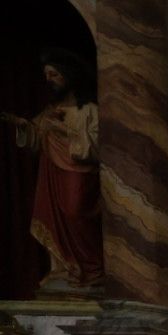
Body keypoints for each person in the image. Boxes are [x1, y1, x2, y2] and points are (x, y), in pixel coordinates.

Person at [2, 48, 102, 291]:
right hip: (51, 176)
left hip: (78, 175)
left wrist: (61, 129)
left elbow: (94, 148)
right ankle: (65, 269)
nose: (49, 80)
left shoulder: (88, 110)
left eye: (54, 74)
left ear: (69, 76)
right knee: (52, 217)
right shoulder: (49, 111)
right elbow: (35, 138)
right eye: (46, 75)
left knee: (75, 211)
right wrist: (23, 126)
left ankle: (92, 269)